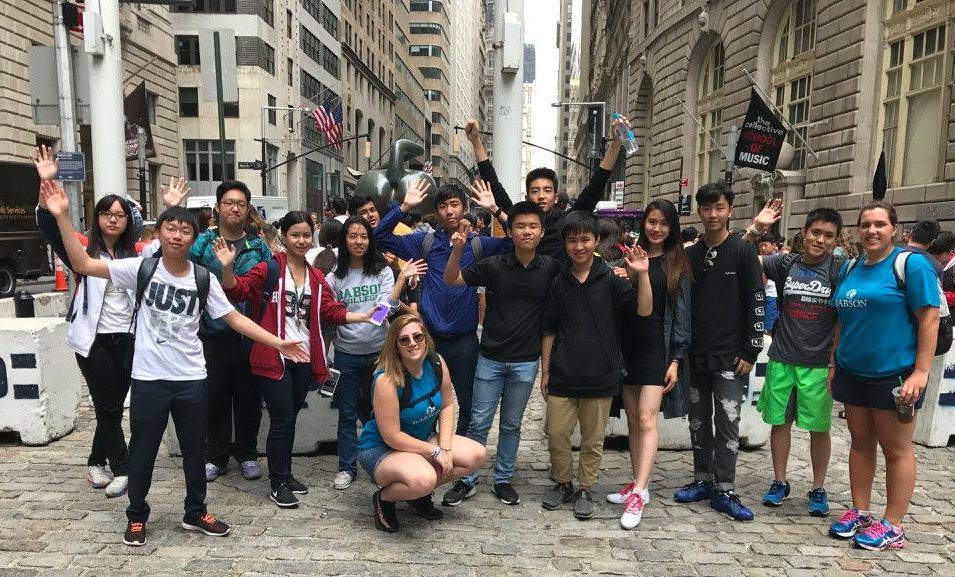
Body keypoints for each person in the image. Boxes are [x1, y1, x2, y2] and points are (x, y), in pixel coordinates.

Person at [40, 181, 306, 546]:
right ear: (158, 233)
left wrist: (278, 342)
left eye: (185, 230)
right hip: (150, 378)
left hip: (192, 378)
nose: (178, 235)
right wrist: (63, 215)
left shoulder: (203, 277)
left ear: (193, 238)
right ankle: (136, 515)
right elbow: (83, 262)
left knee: (196, 452)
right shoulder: (140, 268)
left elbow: (234, 318)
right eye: (171, 228)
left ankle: (195, 512)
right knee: (144, 451)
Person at [215, 212, 384, 508]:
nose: (302, 241)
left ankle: (286, 474)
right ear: (284, 236)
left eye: (307, 235)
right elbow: (237, 290)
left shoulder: (317, 276)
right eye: (296, 235)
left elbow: (330, 310)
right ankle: (278, 482)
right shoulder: (268, 269)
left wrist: (361, 316)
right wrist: (227, 269)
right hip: (273, 355)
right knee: (281, 420)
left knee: (289, 419)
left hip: (304, 357)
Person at [828, 201, 940, 551]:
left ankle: (892, 524)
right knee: (860, 443)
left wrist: (921, 371)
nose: (872, 231)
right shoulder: (850, 267)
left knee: (897, 449)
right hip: (852, 370)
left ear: (894, 228)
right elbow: (840, 322)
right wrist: (834, 365)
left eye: (879, 224)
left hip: (895, 374)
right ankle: (860, 510)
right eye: (865, 225)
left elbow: (929, 318)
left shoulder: (910, 264)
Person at [33, 146, 142, 499]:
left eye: (120, 215)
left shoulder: (135, 254)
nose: (113, 219)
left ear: (128, 221)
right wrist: (47, 183)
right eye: (106, 214)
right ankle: (124, 469)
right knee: (107, 404)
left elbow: (170, 245)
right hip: (93, 339)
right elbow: (50, 221)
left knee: (109, 403)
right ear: (97, 219)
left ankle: (96, 461)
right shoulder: (81, 247)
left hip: (127, 337)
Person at [440, 201, 560, 507]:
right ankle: (466, 479)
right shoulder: (495, 265)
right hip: (490, 358)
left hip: (526, 361)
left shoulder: (550, 268)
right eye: (520, 226)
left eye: (533, 226)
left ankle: (503, 479)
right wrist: (457, 250)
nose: (527, 231)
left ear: (542, 231)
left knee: (511, 424)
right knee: (479, 422)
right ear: (510, 231)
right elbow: (451, 279)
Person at [374, 179, 512, 438]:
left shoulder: (478, 245)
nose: (449, 211)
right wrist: (403, 207)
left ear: (464, 208)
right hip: (430, 342)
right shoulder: (423, 243)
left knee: (468, 404)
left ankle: (458, 453)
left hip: (465, 343)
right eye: (443, 206)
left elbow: (518, 240)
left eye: (455, 205)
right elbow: (379, 236)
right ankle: (429, 452)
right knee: (427, 403)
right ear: (436, 212)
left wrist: (496, 210)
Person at [540, 213, 653, 520]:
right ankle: (563, 482)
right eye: (572, 240)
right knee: (558, 435)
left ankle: (586, 488)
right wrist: (546, 371)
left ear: (595, 242)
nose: (579, 246)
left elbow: (643, 310)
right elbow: (549, 329)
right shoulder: (558, 281)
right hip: (563, 372)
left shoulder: (612, 279)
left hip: (601, 373)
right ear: (565, 244)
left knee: (592, 440)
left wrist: (642, 275)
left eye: (585, 240)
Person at [744, 202, 845, 516]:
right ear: (804, 233)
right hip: (783, 359)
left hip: (818, 365)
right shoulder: (785, 263)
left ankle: (817, 487)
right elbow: (742, 255)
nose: (820, 240)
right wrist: (756, 227)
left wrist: (832, 362)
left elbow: (843, 319)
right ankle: (779, 481)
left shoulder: (839, 270)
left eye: (829, 235)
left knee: (819, 428)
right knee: (780, 424)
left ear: (836, 240)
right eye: (816, 232)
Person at [675, 182, 764, 522]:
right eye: (707, 208)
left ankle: (724, 488)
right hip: (695, 354)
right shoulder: (690, 255)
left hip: (731, 356)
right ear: (699, 211)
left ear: (730, 210)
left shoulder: (742, 251)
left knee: (728, 423)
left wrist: (751, 349)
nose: (713, 215)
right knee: (697, 420)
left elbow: (756, 300)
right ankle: (702, 478)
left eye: (719, 208)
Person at [179, 181, 273, 484]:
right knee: (214, 397)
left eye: (241, 204)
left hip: (250, 334)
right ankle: (215, 455)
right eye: (229, 202)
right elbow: (181, 273)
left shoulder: (258, 246)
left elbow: (269, 285)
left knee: (248, 397)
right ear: (218, 207)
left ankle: (247, 453)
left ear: (248, 209)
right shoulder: (202, 244)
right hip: (210, 333)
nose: (235, 208)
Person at [357, 315, 486, 532]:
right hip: (381, 449)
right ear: (396, 347)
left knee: (476, 455)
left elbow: (446, 405)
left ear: (426, 339)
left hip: (421, 439)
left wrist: (444, 448)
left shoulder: (436, 362)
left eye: (417, 336)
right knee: (423, 479)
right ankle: (386, 498)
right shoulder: (386, 380)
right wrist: (435, 453)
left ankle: (415, 493)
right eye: (404, 340)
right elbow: (392, 436)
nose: (412, 343)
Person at [326, 217, 427, 490]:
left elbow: (386, 310)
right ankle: (347, 467)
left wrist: (400, 280)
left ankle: (382, 460)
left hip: (380, 354)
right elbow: (332, 316)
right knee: (347, 413)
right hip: (346, 353)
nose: (359, 241)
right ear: (344, 240)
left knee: (382, 411)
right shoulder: (333, 277)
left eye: (364, 236)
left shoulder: (382, 271)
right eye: (353, 236)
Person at [607, 199, 691, 530]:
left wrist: (676, 359)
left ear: (672, 228)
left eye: (663, 223)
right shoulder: (631, 256)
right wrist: (622, 276)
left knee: (646, 418)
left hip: (658, 347)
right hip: (628, 346)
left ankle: (641, 491)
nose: (656, 228)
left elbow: (682, 313)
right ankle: (635, 482)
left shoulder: (677, 263)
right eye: (652, 222)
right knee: (632, 420)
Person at [464, 117, 629, 260]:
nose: (541, 196)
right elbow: (494, 185)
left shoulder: (567, 223)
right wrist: (475, 140)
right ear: (528, 197)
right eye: (535, 191)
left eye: (547, 190)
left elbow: (596, 185)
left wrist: (616, 142)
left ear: (556, 197)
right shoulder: (516, 216)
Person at [758, 233, 781, 334]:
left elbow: (764, 281)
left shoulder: (778, 260)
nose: (763, 248)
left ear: (773, 245)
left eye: (766, 245)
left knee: (769, 329)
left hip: (772, 297)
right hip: (763, 296)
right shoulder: (761, 259)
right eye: (760, 246)